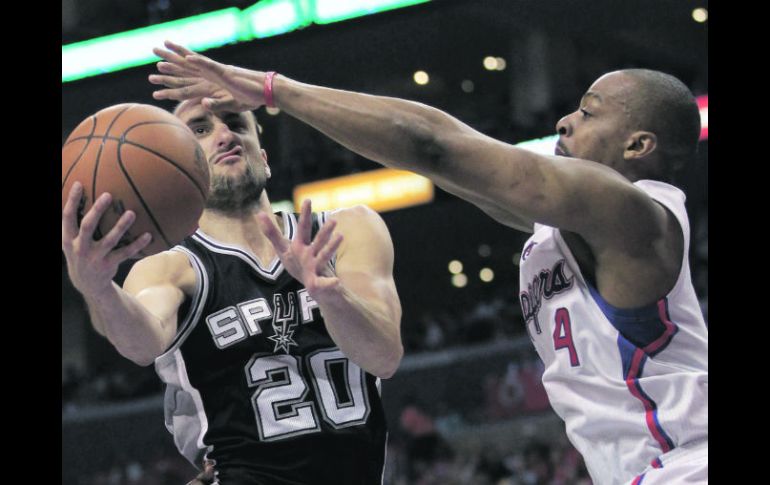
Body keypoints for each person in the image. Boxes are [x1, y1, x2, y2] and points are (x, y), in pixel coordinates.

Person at [148, 40, 708, 484]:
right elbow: (442, 168)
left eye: (588, 112)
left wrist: (275, 91)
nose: (564, 120)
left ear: (637, 147)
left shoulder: (631, 212)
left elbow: (433, 146)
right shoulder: (571, 227)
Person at [62, 94, 403, 483]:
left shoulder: (346, 230)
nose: (225, 135)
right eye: (201, 130)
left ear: (265, 157)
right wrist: (98, 289)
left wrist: (330, 294)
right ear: (176, 167)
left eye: (236, 123)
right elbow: (141, 344)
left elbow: (384, 356)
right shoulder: (170, 267)